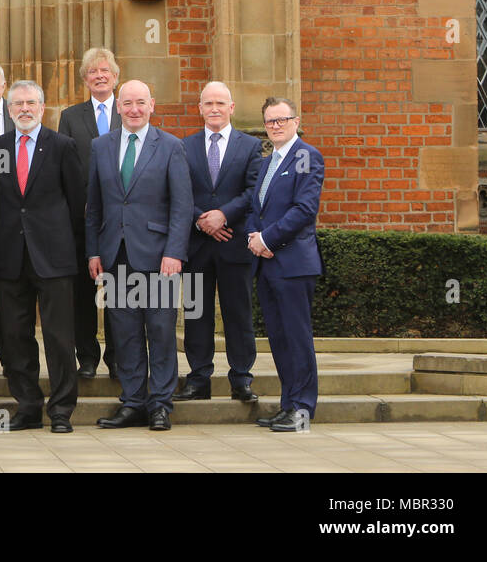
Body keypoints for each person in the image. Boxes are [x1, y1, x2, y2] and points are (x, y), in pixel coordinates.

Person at [86, 79, 192, 431]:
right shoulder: (101, 147)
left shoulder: (171, 146)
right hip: (115, 256)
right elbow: (94, 206)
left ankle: (160, 404)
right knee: (125, 332)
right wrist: (93, 252)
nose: (133, 109)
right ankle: (132, 402)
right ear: (118, 106)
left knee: (160, 331)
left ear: (152, 105)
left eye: (140, 103)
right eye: (127, 103)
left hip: (159, 258)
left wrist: (175, 252)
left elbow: (182, 206)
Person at [0, 80, 85, 433]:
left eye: (31, 103)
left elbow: (76, 205)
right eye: (18, 104)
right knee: (13, 336)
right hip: (11, 256)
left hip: (54, 257)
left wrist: (74, 249)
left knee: (59, 337)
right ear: (9, 109)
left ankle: (60, 411)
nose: (24, 109)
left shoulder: (62, 146)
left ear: (43, 108)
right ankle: (27, 406)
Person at [177, 81, 262, 403]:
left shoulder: (250, 147)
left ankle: (241, 379)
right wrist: (202, 219)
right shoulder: (184, 146)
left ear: (232, 108)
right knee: (197, 315)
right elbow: (180, 190)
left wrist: (223, 215)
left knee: (238, 314)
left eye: (220, 103)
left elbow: (253, 191)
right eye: (208, 103)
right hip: (197, 245)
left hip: (234, 244)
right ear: (199, 108)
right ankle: (199, 379)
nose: (214, 108)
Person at [248, 97, 325, 432]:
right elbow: (258, 210)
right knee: (279, 338)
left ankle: (304, 409)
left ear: (296, 121)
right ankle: (288, 404)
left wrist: (268, 239)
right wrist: (254, 236)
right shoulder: (267, 163)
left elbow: (304, 209)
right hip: (267, 266)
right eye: (269, 121)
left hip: (293, 264)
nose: (275, 126)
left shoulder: (306, 156)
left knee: (297, 337)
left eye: (281, 119)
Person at [57, 47, 122, 379]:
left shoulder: (129, 113)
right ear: (85, 79)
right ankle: (88, 357)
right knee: (82, 293)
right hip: (81, 222)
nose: (99, 76)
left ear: (115, 77)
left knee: (117, 292)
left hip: (119, 223)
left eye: (105, 71)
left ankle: (117, 357)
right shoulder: (70, 116)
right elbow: (65, 167)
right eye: (93, 72)